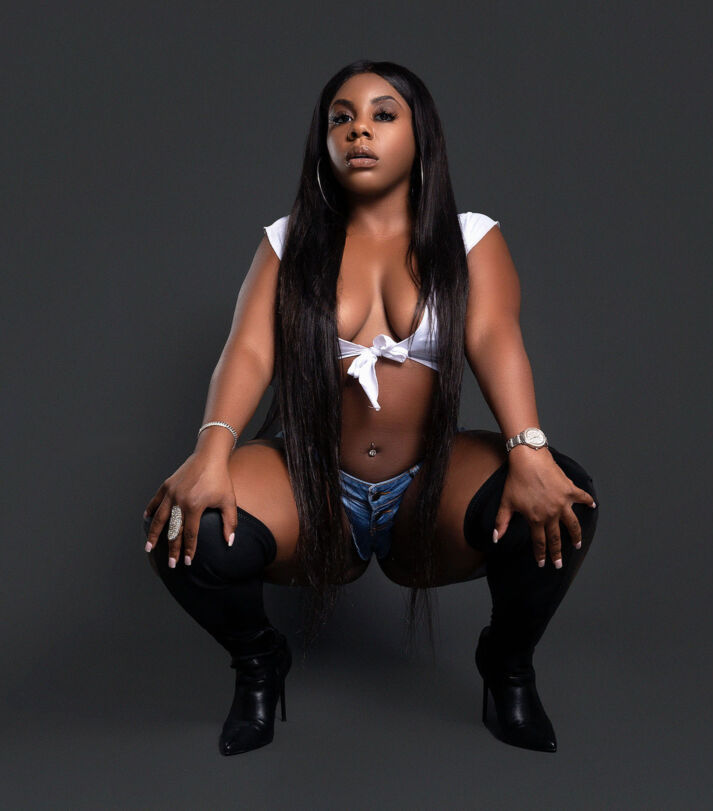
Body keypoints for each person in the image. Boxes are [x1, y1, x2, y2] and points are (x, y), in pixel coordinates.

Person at [142, 59, 600, 757]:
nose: (360, 130)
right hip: (315, 488)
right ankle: (259, 662)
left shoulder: (470, 237)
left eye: (383, 115)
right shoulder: (290, 241)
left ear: (421, 136)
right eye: (342, 118)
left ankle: (507, 665)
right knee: (183, 520)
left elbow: (493, 336)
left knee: (564, 498)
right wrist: (210, 452)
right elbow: (249, 352)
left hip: (428, 488)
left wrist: (527, 446)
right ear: (324, 139)